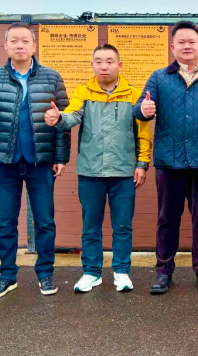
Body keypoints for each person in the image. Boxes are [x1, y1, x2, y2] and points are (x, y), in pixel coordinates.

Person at [0, 22, 70, 299]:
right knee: (5, 222)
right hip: (5, 163)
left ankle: (45, 273)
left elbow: (62, 120)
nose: (19, 45)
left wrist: (60, 156)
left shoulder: (51, 77)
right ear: (5, 46)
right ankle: (7, 275)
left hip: (40, 162)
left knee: (45, 221)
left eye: (25, 41)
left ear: (34, 46)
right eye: (14, 41)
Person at [134, 20, 198, 294]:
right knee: (167, 219)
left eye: (192, 42)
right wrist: (143, 109)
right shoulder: (159, 78)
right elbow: (139, 110)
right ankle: (163, 272)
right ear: (172, 47)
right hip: (169, 161)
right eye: (181, 42)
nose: (187, 46)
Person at [45, 44, 151, 293]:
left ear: (120, 65)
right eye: (99, 61)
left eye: (110, 61)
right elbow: (72, 116)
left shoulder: (134, 95)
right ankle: (91, 272)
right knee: (90, 226)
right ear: (92, 65)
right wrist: (59, 118)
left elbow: (143, 132)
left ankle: (121, 271)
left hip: (123, 173)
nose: (104, 66)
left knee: (122, 226)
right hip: (90, 172)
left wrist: (142, 163)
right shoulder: (83, 92)